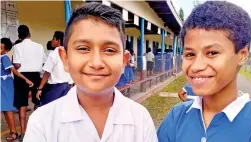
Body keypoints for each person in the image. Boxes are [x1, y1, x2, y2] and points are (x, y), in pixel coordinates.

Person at [24, 3, 157, 142]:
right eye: (83, 48)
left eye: (109, 50)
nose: (96, 63)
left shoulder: (140, 119)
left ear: (124, 61)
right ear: (65, 59)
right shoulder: (42, 122)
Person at [157, 1, 251, 142]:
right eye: (190, 54)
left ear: (242, 55)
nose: (196, 66)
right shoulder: (176, 118)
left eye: (212, 52)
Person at [12, 25, 46, 140]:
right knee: (37, 102)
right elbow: (43, 62)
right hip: (36, 76)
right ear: (29, 34)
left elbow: (17, 65)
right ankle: (36, 129)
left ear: (19, 35)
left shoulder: (17, 47)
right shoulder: (39, 46)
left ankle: (23, 132)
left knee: (22, 104)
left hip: (22, 76)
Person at [1, 38, 33, 140]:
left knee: (8, 109)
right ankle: (13, 131)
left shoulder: (4, 58)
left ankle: (13, 132)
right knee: (5, 110)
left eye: (0, 47)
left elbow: (14, 71)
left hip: (6, 85)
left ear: (6, 50)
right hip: (2, 85)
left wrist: (26, 79)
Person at [36, 31, 72, 106]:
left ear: (58, 41)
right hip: (67, 86)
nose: (52, 40)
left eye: (53, 38)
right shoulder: (69, 53)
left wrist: (40, 88)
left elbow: (47, 73)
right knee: (61, 109)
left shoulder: (54, 54)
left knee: (49, 108)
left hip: (55, 87)